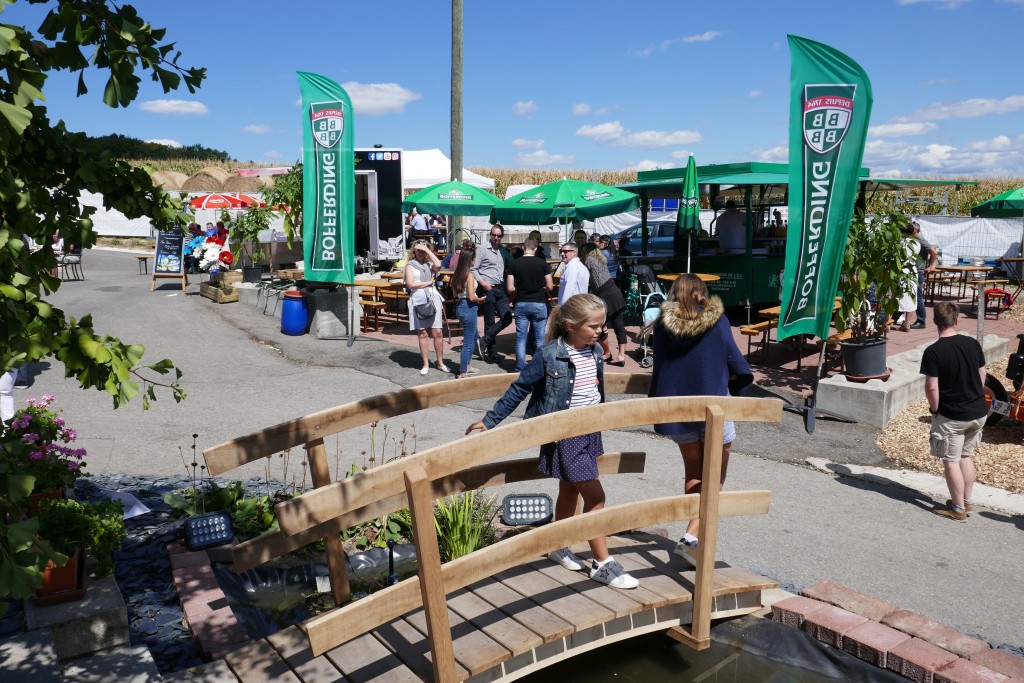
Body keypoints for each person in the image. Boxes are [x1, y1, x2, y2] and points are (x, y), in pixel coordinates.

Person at [466, 294, 639, 589]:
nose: (600, 331)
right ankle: (602, 564)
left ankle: (558, 546)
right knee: (596, 497)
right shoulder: (549, 355)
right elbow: (519, 388)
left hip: (590, 431)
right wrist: (490, 420)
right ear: (571, 326)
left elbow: (593, 390)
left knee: (570, 489)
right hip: (565, 434)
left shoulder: (595, 351)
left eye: (602, 325)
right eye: (594, 326)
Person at [648, 273, 753, 565]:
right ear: (702, 293)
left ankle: (692, 536)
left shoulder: (662, 325)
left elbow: (659, 366)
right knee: (716, 473)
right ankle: (692, 538)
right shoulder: (718, 322)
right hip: (713, 409)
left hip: (678, 411)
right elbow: (736, 362)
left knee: (693, 471)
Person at [921, 302, 988, 522]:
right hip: (978, 412)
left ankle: (958, 508)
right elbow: (982, 375)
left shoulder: (933, 352)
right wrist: (974, 396)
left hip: (953, 416)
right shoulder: (972, 344)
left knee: (951, 460)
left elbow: (932, 388)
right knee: (965, 456)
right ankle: (966, 501)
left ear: (935, 321)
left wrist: (934, 409)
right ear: (957, 320)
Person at [506, 238, 554, 372]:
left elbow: (510, 288)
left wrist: (519, 289)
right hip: (539, 302)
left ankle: (519, 367)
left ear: (523, 247)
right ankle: (539, 367)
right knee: (540, 339)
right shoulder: (543, 263)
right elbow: (550, 286)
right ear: (535, 249)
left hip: (521, 302)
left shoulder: (514, 264)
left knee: (521, 338)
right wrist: (542, 288)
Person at [405, 240, 449, 376]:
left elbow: (438, 265)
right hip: (418, 298)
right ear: (414, 251)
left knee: (438, 332)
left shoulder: (430, 264)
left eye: (422, 250)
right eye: (418, 250)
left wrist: (427, 250)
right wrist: (428, 282)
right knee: (423, 333)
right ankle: (425, 364)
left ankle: (440, 362)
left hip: (432, 297)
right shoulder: (409, 265)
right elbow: (410, 284)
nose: (420, 252)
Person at [473, 225, 514, 360]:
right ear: (490, 234)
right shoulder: (482, 249)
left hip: (500, 288)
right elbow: (474, 269)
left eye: (499, 236)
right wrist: (483, 283)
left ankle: (484, 340)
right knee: (489, 321)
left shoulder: (503, 251)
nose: (496, 238)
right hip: (488, 288)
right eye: (493, 235)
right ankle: (492, 353)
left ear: (502, 236)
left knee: (507, 317)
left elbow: (513, 265)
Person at [582, 243, 627, 366]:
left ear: (587, 251)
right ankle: (621, 356)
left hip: (604, 295)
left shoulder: (588, 260)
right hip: (614, 292)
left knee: (597, 325)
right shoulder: (600, 259)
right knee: (619, 326)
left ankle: (607, 353)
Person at [450, 245, 485, 378]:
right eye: (474, 258)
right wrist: (481, 299)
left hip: (460, 305)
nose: (475, 260)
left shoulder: (457, 274)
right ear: (470, 259)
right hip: (469, 306)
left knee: (474, 337)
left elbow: (455, 294)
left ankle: (467, 366)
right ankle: (463, 370)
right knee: (469, 341)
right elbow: (471, 297)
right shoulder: (469, 275)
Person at [912, 220, 938, 329]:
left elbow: (934, 252)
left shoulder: (921, 240)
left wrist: (929, 266)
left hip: (918, 272)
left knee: (917, 296)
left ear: (915, 230)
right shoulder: (913, 240)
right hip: (913, 271)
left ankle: (921, 320)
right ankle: (897, 316)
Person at [895, 222, 918, 332]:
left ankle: (887, 323)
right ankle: (907, 323)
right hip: (912, 270)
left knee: (893, 296)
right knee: (910, 297)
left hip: (900, 270)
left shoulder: (899, 243)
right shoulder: (916, 243)